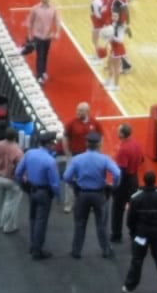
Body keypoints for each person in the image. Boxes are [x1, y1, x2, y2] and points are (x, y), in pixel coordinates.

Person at [63, 131, 120, 259]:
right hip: (99, 194)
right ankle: (106, 250)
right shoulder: (104, 159)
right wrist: (113, 186)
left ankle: (76, 251)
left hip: (82, 194)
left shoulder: (77, 159)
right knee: (101, 224)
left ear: (86, 143)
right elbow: (117, 173)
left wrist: (74, 185)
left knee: (79, 224)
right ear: (99, 144)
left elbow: (66, 176)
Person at [15, 131, 61, 260]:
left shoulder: (29, 153)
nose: (54, 145)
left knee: (33, 219)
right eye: (53, 143)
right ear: (49, 144)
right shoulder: (50, 161)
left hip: (32, 189)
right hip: (44, 193)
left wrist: (22, 186)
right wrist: (58, 197)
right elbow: (55, 183)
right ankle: (37, 249)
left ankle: (33, 244)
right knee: (41, 221)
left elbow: (18, 172)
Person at [62, 102, 104, 213]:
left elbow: (101, 137)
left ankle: (87, 204)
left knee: (88, 179)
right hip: (74, 155)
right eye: (78, 110)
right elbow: (65, 137)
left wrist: (99, 152)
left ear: (87, 111)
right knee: (69, 179)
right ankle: (68, 204)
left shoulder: (95, 123)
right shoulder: (71, 123)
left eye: (81, 110)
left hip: (89, 157)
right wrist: (67, 152)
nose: (78, 112)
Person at [111, 123, 144, 243]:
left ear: (122, 134)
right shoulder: (136, 144)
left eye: (118, 131)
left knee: (117, 209)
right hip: (134, 179)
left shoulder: (123, 149)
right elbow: (141, 160)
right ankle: (134, 232)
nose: (117, 133)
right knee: (134, 208)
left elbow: (121, 170)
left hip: (124, 182)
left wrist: (115, 187)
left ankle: (116, 234)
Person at [0, 127, 24, 233]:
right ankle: (8, 226)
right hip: (10, 180)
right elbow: (20, 167)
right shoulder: (17, 150)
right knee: (11, 203)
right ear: (15, 137)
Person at [26, 0, 61, 84]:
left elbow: (57, 21)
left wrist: (57, 32)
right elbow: (30, 22)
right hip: (38, 37)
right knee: (40, 56)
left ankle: (44, 71)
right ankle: (39, 75)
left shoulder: (53, 9)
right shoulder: (35, 9)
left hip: (48, 37)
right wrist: (29, 35)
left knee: (45, 55)